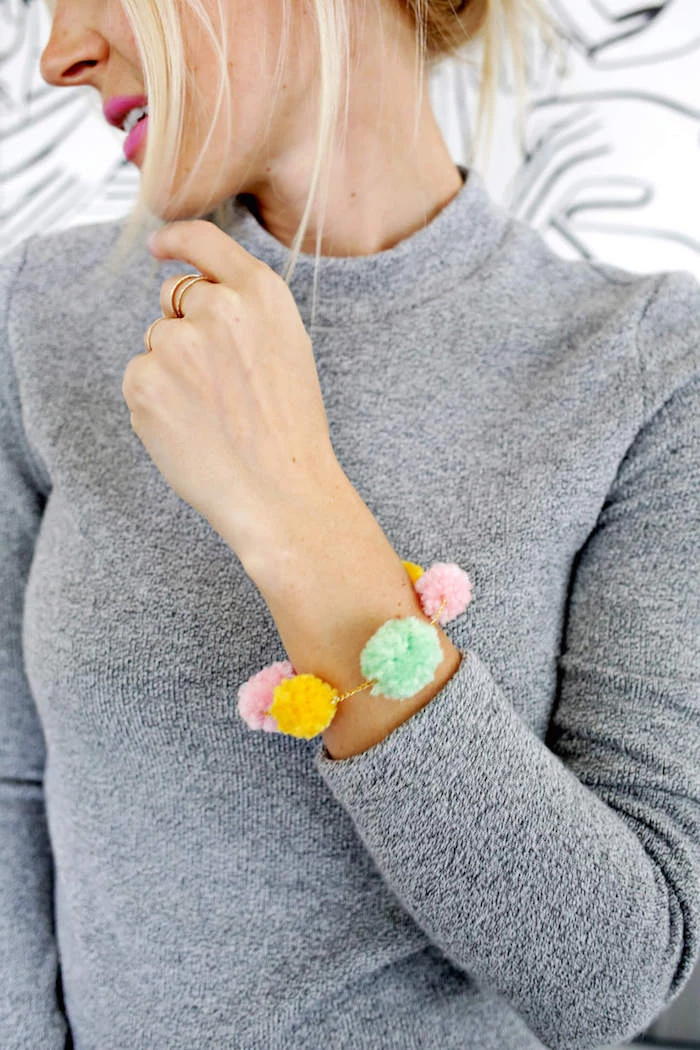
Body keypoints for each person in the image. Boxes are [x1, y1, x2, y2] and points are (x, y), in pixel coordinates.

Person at [1, 0, 698, 1047]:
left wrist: (293, 517)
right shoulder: (41, 314)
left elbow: (612, 979)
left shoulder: (645, 364)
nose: (60, 54)